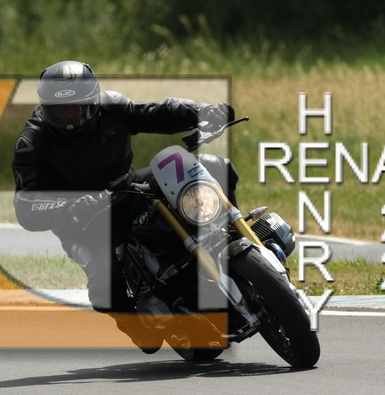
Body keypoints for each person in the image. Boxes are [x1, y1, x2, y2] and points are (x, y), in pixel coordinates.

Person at [12, 60, 235, 352]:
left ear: (92, 101)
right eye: (59, 110)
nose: (68, 117)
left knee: (214, 166)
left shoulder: (112, 107)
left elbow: (157, 112)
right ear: (45, 108)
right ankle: (132, 324)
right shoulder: (32, 142)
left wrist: (202, 111)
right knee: (105, 285)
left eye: (76, 108)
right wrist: (68, 207)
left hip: (127, 188)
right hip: (82, 222)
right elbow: (25, 202)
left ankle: (234, 237)